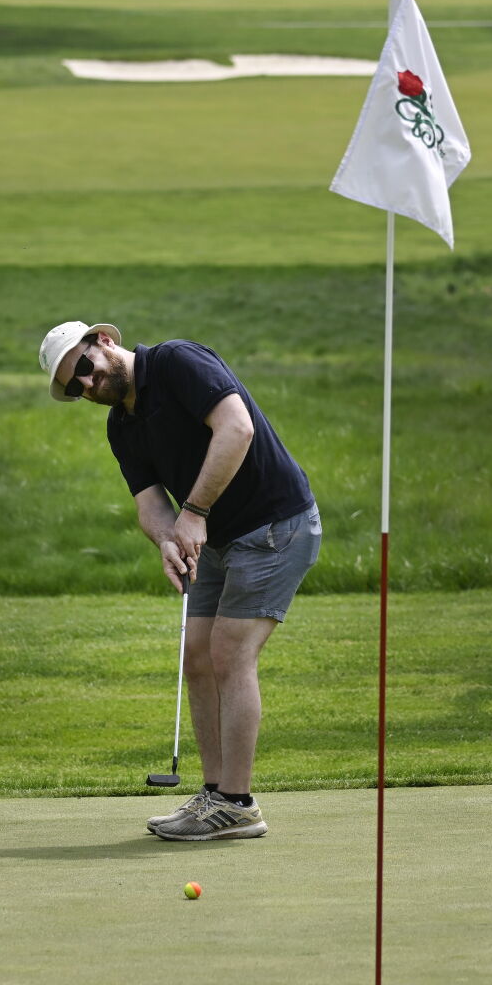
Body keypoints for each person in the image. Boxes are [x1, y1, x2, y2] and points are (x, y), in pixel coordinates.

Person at [38, 320, 322, 841]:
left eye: (83, 368)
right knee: (197, 657)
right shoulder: (121, 427)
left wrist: (192, 514)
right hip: (216, 536)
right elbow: (149, 505)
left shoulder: (176, 362)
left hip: (274, 524)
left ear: (103, 342)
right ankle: (214, 796)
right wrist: (169, 538)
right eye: (74, 388)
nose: (86, 385)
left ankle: (238, 804)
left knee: (230, 654)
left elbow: (237, 428)